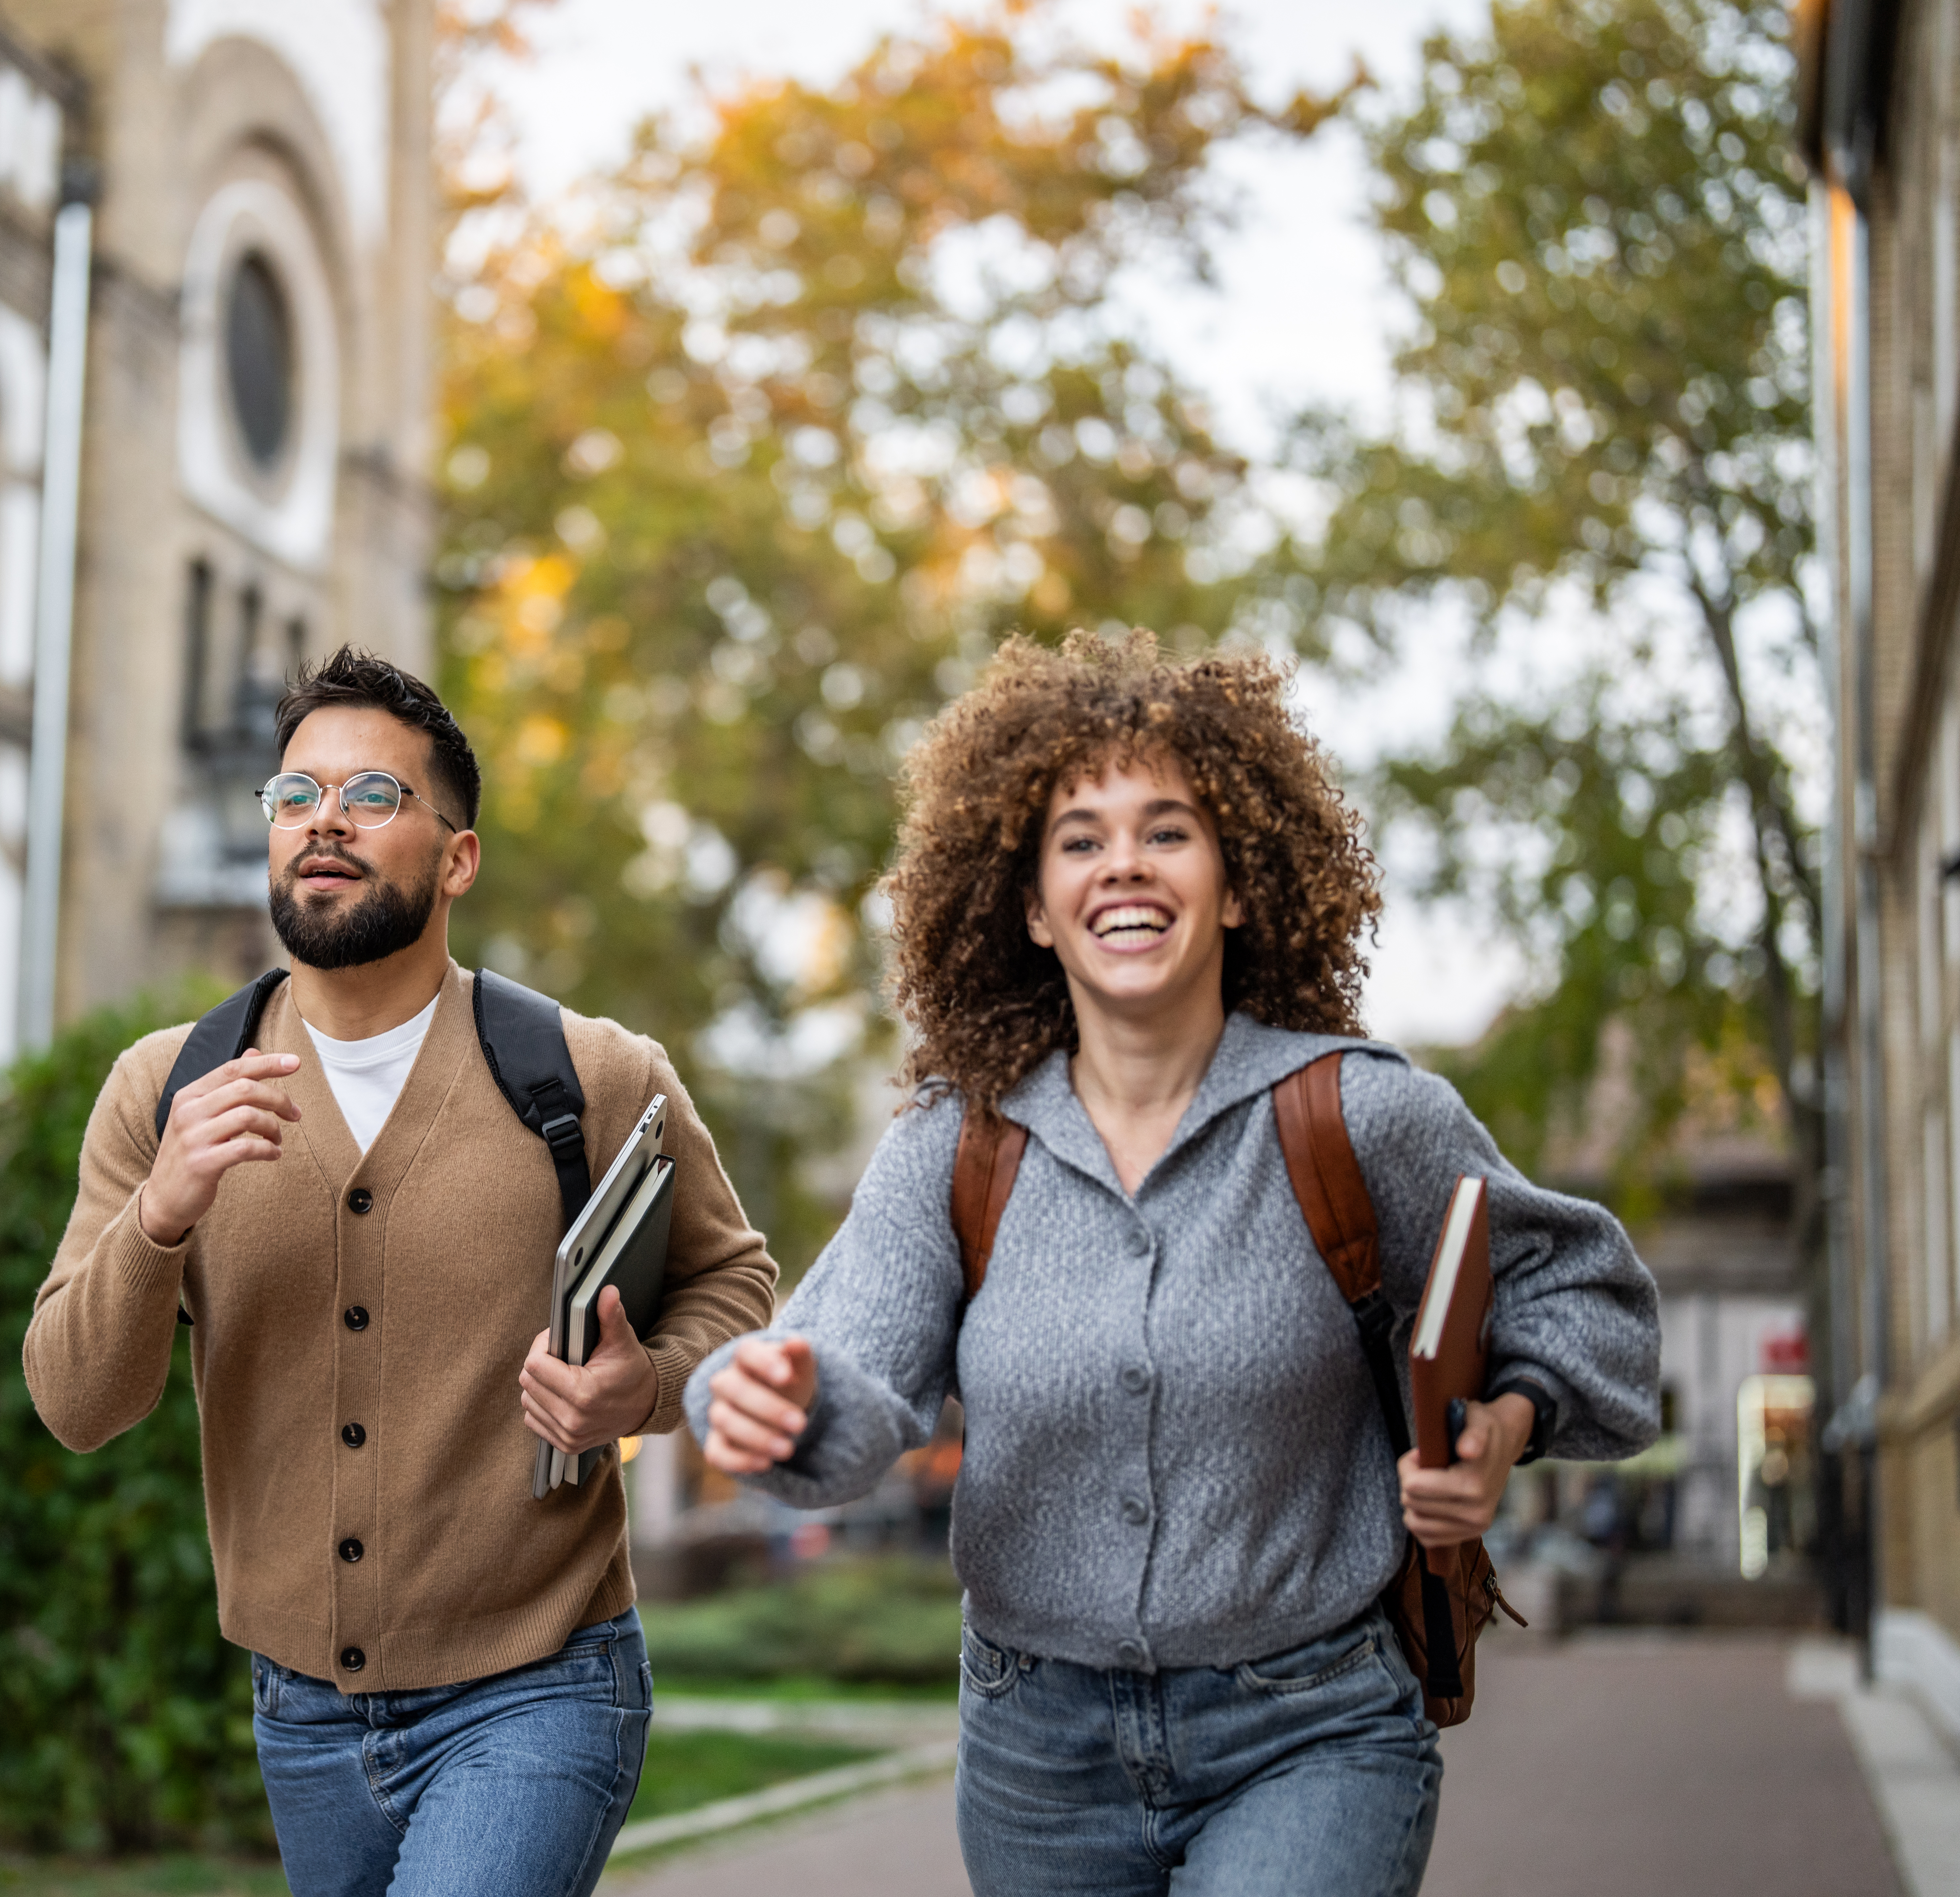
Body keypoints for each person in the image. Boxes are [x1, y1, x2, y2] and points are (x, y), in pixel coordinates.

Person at [689, 632, 1660, 1897]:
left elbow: (1590, 1303)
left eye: (1169, 831)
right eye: (1079, 840)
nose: (1124, 866)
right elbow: (851, 1369)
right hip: (1037, 1757)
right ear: (1032, 908)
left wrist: (1506, 1425)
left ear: (1241, 884)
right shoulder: (954, 1148)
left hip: (1313, 1730)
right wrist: (774, 1399)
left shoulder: (1361, 1117)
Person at [25, 646, 777, 1897]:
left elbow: (735, 1288)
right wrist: (161, 1214)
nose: (325, 819)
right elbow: (75, 1404)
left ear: (458, 857)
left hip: (540, 1688)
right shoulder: (164, 1087)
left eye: (374, 794)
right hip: (302, 1719)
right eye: (295, 795)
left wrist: (642, 1393)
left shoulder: (589, 1075)